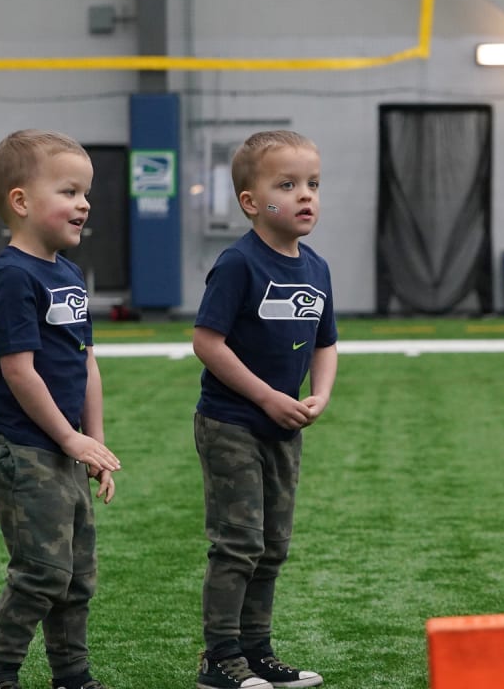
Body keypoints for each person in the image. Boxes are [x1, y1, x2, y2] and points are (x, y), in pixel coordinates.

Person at [0, 129, 122, 689]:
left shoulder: (67, 274)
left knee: (77, 576)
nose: (84, 203)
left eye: (86, 193)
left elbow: (86, 363)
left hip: (64, 445)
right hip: (23, 448)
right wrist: (68, 439)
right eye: (69, 191)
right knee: (40, 572)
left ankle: (73, 676)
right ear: (21, 202)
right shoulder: (14, 275)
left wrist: (95, 444)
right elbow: (19, 371)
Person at [193, 130, 337, 689]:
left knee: (273, 546)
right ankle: (219, 658)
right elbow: (207, 342)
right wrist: (266, 396)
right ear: (251, 202)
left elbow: (325, 342)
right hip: (232, 424)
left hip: (284, 429)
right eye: (287, 184)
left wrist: (318, 395)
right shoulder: (238, 264)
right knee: (239, 543)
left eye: (313, 184)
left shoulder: (317, 268)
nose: (306, 196)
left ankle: (257, 652)